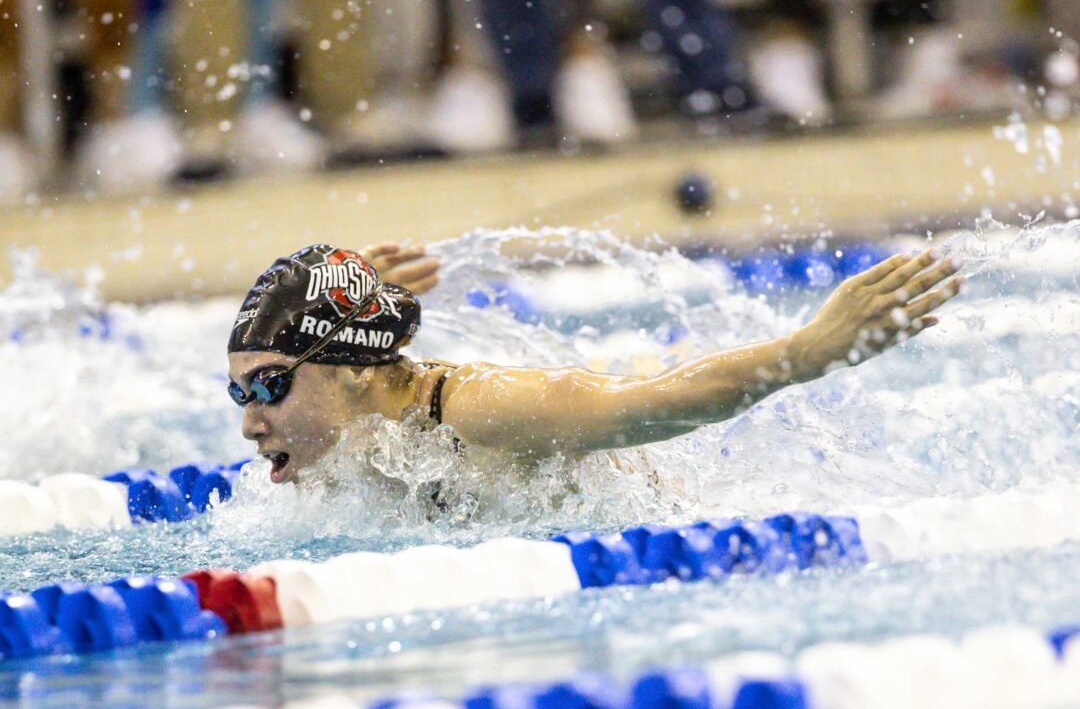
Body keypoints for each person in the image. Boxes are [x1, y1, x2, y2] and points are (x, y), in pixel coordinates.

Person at [227, 242, 962, 484]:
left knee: (641, 371)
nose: (251, 426)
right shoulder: (339, 448)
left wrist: (808, 352)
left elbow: (656, 403)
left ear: (356, 370)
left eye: (269, 387)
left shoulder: (485, 409)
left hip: (675, 483)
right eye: (240, 395)